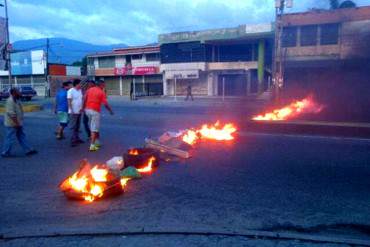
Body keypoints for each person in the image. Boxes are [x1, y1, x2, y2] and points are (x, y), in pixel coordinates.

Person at [1, 88, 37, 157]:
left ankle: (28, 150)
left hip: (18, 123)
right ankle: (5, 152)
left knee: (22, 136)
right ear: (14, 93)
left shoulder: (17, 100)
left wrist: (19, 122)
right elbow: (11, 114)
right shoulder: (10, 101)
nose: (20, 93)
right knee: (10, 138)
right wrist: (17, 123)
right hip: (12, 124)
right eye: (18, 92)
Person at [83, 79, 114, 152]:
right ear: (101, 85)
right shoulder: (101, 92)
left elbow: (84, 99)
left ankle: (96, 142)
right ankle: (92, 145)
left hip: (87, 110)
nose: (104, 86)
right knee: (94, 128)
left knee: (93, 126)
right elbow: (106, 104)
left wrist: (83, 108)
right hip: (95, 111)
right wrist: (110, 111)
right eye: (104, 85)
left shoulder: (89, 90)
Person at [67, 79, 84, 147]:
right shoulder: (70, 91)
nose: (81, 85)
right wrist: (71, 110)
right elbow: (69, 101)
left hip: (79, 111)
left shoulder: (80, 90)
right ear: (76, 84)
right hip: (73, 112)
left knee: (78, 126)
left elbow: (81, 99)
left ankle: (77, 138)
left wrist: (82, 108)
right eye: (80, 84)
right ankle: (72, 141)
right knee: (73, 127)